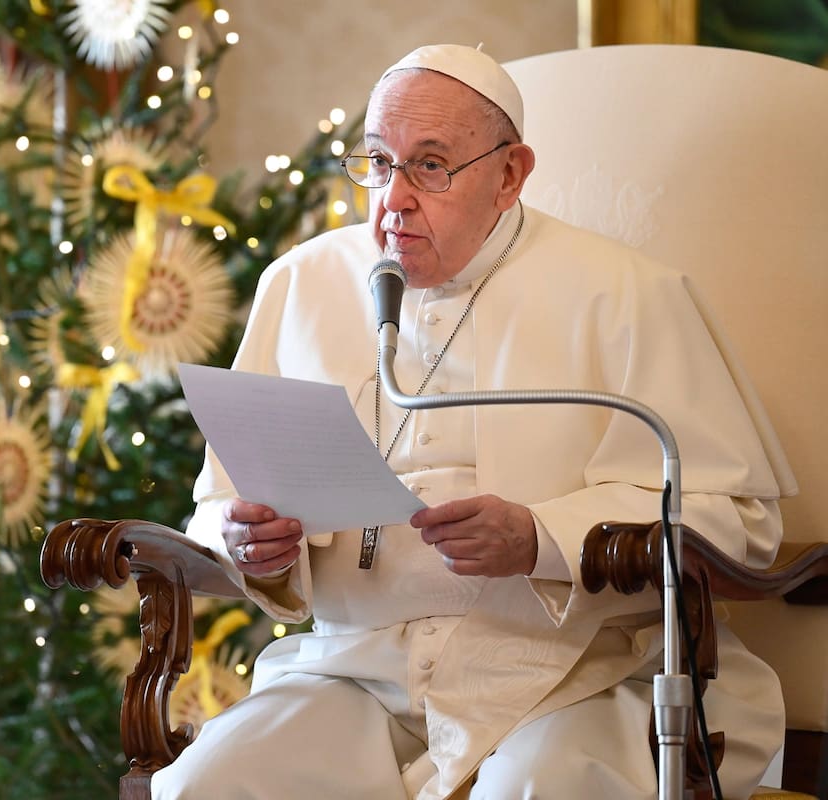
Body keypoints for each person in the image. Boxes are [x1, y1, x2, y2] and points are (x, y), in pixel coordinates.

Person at [152, 44, 795, 800]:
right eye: (378, 162)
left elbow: (737, 521)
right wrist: (249, 546)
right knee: (209, 784)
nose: (393, 198)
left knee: (533, 787)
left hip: (585, 669)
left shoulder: (625, 294)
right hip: (361, 672)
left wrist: (541, 538)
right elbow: (216, 504)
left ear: (510, 174)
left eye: (430, 166)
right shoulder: (301, 284)